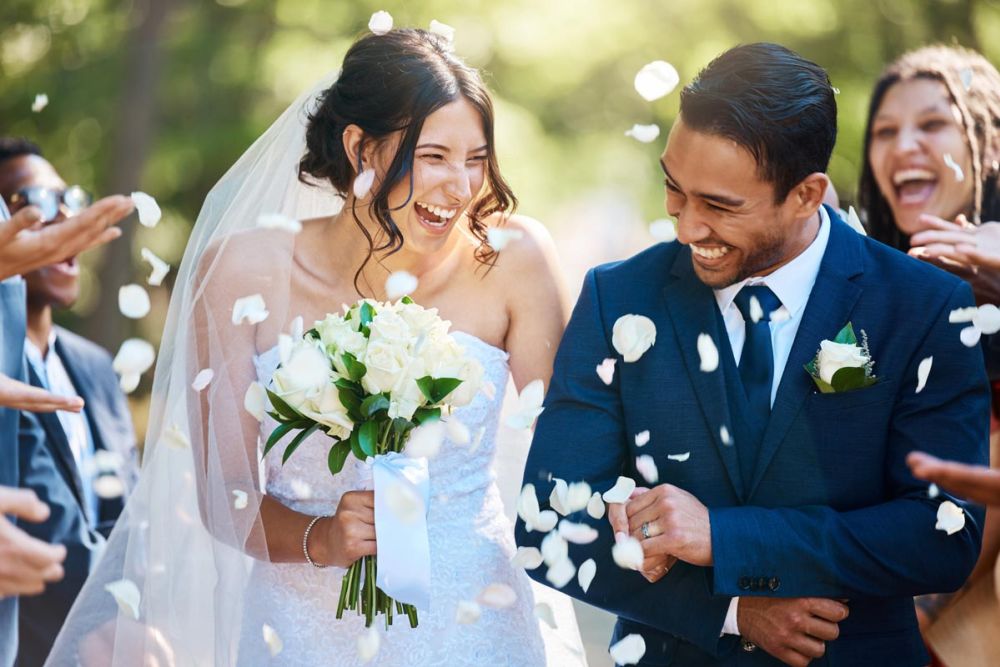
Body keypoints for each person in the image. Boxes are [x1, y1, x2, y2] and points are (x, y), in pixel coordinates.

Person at [48, 27, 586, 666]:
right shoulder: (241, 272)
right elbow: (227, 495)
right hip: (300, 630)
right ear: (360, 147)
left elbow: (575, 444)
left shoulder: (514, 261)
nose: (462, 186)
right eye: (435, 156)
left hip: (475, 623)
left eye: (476, 159)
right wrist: (321, 537)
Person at [516, 42, 988, 667]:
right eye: (674, 189)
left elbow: (940, 536)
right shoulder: (618, 295)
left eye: (719, 206)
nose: (685, 227)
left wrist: (727, 541)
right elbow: (548, 522)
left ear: (806, 194)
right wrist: (734, 609)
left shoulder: (924, 305)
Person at [857, 45, 1000, 665]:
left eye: (933, 124)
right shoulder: (863, 296)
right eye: (885, 131)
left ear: (989, 146)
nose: (904, 145)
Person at [0, 137, 139, 666]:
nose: (61, 217)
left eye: (67, 198)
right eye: (31, 199)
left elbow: (127, 509)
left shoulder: (97, 368)